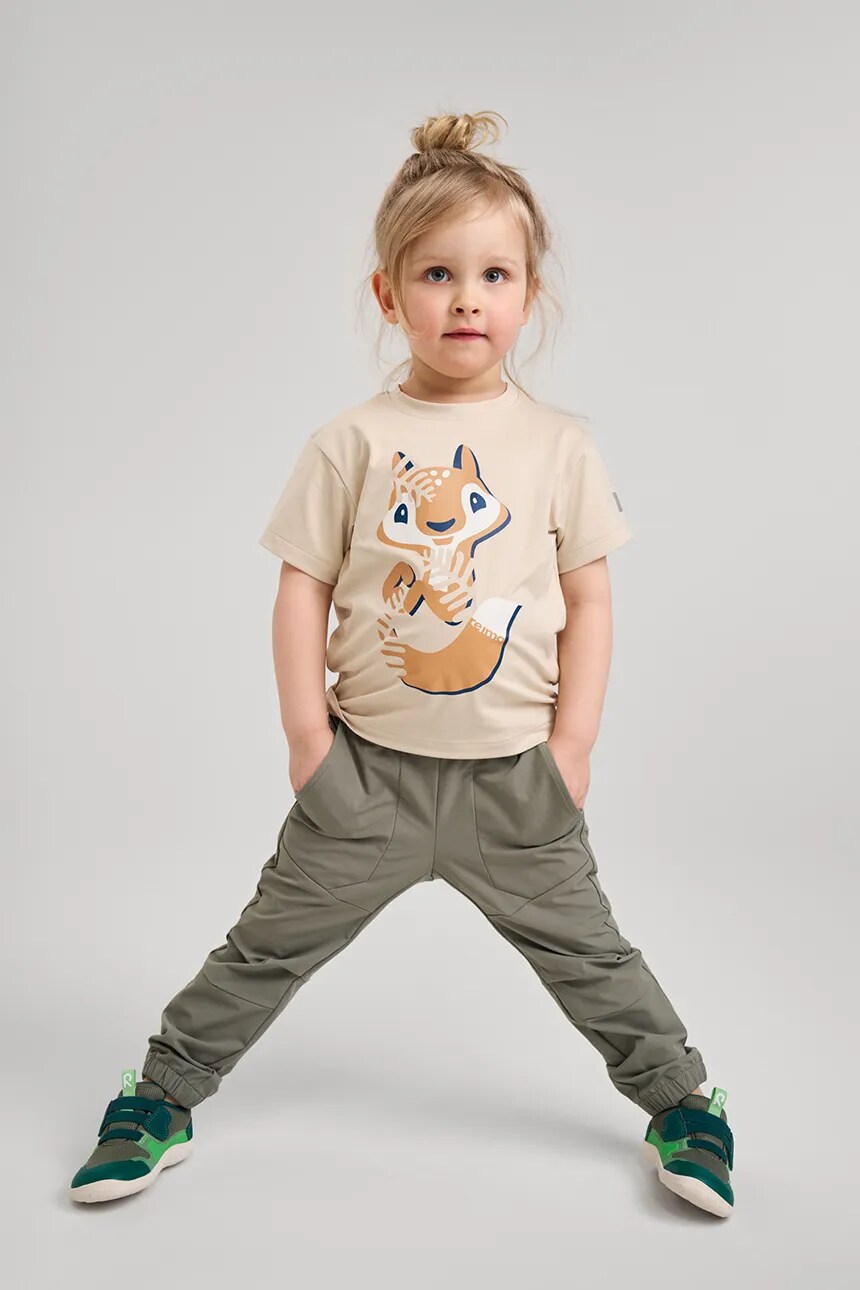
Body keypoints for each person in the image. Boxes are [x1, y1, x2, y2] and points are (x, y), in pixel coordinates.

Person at [69, 110, 734, 1217]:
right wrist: (307, 742)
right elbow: (301, 588)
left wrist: (572, 747)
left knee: (592, 958)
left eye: (493, 274)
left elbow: (589, 599)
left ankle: (684, 1105)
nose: (466, 299)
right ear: (388, 295)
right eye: (436, 274)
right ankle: (161, 1096)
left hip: (515, 784)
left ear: (527, 294)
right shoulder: (350, 442)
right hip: (366, 778)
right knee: (263, 950)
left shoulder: (559, 445)